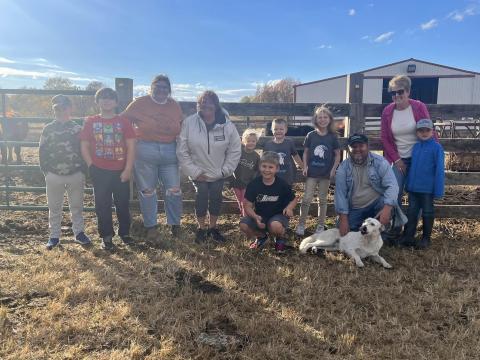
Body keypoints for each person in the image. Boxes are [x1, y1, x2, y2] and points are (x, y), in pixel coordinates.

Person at [123, 75, 183, 241]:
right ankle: (151, 226)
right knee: (148, 191)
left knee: (174, 190)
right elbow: (123, 120)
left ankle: (175, 225)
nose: (161, 89)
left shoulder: (174, 105)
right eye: (158, 86)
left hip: (170, 151)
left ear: (169, 89)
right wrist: (132, 137)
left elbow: (181, 124)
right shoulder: (140, 103)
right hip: (145, 150)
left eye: (165, 87)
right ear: (151, 88)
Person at [177, 90, 241, 243]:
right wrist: (194, 171)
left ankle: (213, 227)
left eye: (209, 103)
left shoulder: (227, 125)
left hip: (219, 171)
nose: (205, 106)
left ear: (216, 105)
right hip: (198, 170)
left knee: (216, 196)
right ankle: (201, 228)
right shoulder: (189, 123)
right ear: (197, 106)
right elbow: (182, 149)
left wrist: (225, 170)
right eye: (201, 103)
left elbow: (235, 149)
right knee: (202, 193)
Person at [80, 88, 136, 250]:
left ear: (116, 102)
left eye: (110, 98)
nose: (106, 101)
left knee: (122, 203)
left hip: (120, 170)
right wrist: (91, 164)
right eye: (103, 98)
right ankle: (106, 236)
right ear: (97, 102)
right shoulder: (91, 122)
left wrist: (128, 169)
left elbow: (131, 146)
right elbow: (84, 145)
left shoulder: (123, 122)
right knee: (102, 205)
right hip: (100, 170)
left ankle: (124, 233)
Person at [39, 95, 91, 250]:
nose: (61, 111)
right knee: (54, 207)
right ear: (54, 110)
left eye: (64, 108)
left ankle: (79, 233)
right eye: (57, 109)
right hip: (54, 174)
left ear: (70, 109)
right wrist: (46, 172)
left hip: (75, 173)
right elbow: (42, 151)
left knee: (77, 206)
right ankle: (54, 236)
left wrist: (83, 171)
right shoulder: (48, 129)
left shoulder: (77, 128)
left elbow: (84, 150)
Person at [334, 134, 406, 238]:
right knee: (342, 232)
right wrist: (343, 219)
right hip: (355, 209)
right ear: (349, 149)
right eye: (354, 146)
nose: (357, 149)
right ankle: (361, 231)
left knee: (387, 204)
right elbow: (340, 194)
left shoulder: (380, 162)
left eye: (361, 146)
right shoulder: (343, 168)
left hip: (377, 206)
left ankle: (384, 236)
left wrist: (387, 208)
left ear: (367, 146)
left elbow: (392, 186)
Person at [380, 75, 435, 205]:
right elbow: (384, 137)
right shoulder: (387, 111)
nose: (396, 95)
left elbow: (429, 129)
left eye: (400, 91)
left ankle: (412, 224)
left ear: (408, 92)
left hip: (419, 158)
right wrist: (397, 160)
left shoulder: (419, 107)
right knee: (394, 191)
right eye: (393, 92)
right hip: (398, 158)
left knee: (416, 194)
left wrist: (434, 155)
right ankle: (396, 223)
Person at [240, 151, 297, 253]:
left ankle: (280, 237)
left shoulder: (282, 184)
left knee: (275, 226)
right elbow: (247, 205)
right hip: (260, 216)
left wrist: (289, 208)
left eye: (270, 167)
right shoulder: (254, 184)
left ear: (277, 168)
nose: (267, 170)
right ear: (259, 167)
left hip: (277, 216)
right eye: (264, 166)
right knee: (244, 225)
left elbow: (294, 199)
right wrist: (255, 217)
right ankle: (262, 237)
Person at [296, 105, 340, 236]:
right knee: (306, 199)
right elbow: (305, 152)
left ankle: (320, 225)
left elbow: (337, 154)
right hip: (312, 173)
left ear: (329, 119)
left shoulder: (332, 137)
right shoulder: (311, 135)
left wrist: (333, 169)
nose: (322, 120)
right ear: (316, 119)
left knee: (322, 200)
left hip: (325, 174)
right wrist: (305, 166)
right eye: (320, 117)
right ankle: (301, 224)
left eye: (325, 117)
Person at [401, 119, 444, 249]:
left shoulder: (437, 148)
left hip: (427, 189)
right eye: (421, 130)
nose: (424, 133)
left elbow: (439, 170)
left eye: (427, 130)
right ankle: (408, 237)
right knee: (412, 212)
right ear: (417, 133)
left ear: (433, 132)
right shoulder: (416, 147)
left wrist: (438, 190)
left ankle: (426, 238)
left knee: (427, 212)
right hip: (414, 189)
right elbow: (412, 167)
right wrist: (408, 184)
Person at [263, 118, 303, 185]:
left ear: (286, 130)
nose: (278, 131)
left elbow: (295, 156)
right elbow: (264, 159)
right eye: (275, 129)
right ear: (272, 130)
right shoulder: (268, 145)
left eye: (281, 129)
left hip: (288, 175)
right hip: (273, 176)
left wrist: (303, 167)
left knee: (286, 193)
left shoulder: (289, 142)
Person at [231, 129, 260, 216]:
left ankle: (245, 219)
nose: (251, 143)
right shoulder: (238, 152)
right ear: (243, 141)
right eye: (248, 141)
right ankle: (243, 216)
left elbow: (257, 170)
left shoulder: (256, 156)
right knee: (240, 201)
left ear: (256, 142)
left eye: (253, 141)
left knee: (245, 202)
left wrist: (252, 182)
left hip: (247, 183)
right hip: (236, 181)